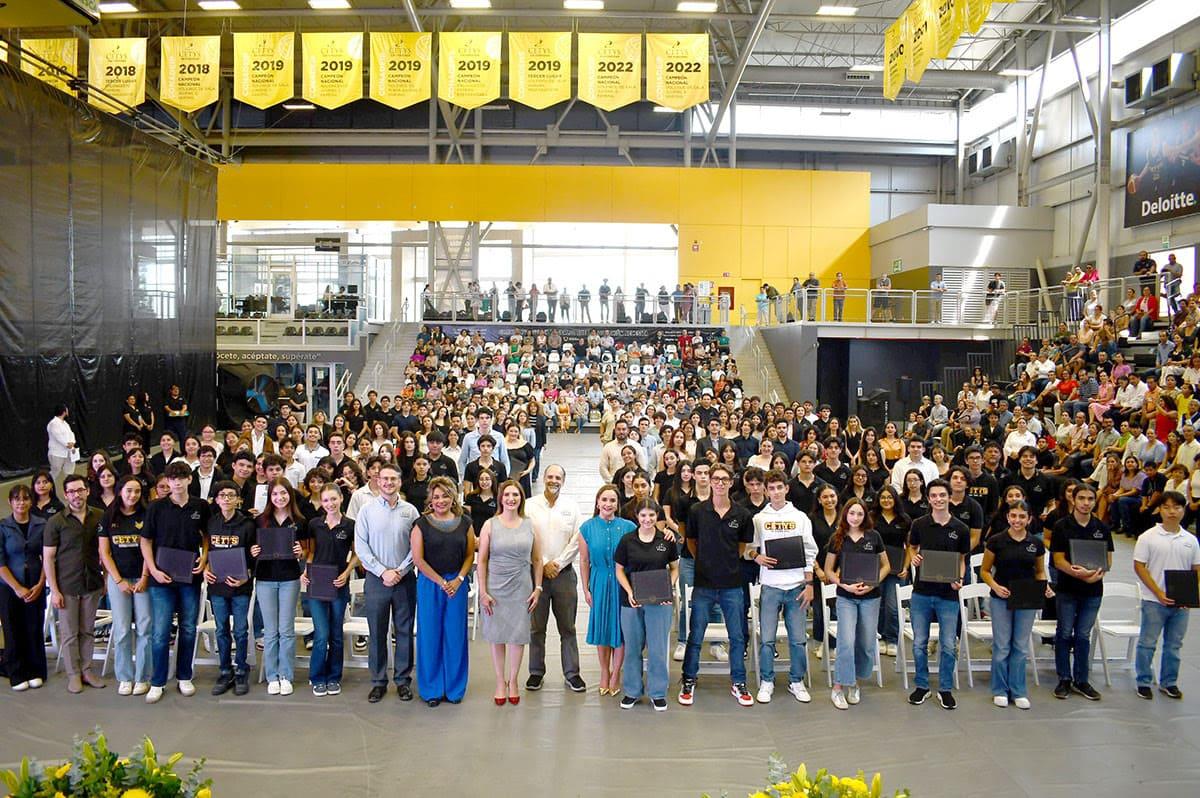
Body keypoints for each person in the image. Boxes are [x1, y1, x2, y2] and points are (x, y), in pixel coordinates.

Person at [679, 463, 755, 707]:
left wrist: (726, 561)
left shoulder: (742, 515)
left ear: (731, 482)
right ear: (710, 482)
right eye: (716, 479)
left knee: (736, 636)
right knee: (696, 635)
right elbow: (691, 542)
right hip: (704, 584)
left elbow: (742, 547)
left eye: (725, 479)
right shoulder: (697, 511)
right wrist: (705, 562)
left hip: (733, 584)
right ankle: (689, 679)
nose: (720, 483)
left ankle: (739, 681)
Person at [140, 461, 210, 704]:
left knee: (189, 628)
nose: (177, 482)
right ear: (167, 482)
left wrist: (204, 559)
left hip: (189, 577)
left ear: (190, 480)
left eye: (181, 477)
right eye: (172, 478)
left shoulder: (200, 506)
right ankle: (158, 681)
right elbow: (145, 541)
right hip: (161, 579)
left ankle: (184, 676)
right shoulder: (156, 508)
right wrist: (152, 570)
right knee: (160, 632)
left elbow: (207, 536)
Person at [748, 469, 817, 704]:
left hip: (797, 585)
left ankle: (796, 680)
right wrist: (756, 557)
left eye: (780, 487)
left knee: (798, 638)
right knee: (767, 638)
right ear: (766, 492)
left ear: (787, 489)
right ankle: (767, 680)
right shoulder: (759, 518)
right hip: (770, 586)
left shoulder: (800, 518)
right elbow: (749, 548)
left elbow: (810, 552)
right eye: (771, 488)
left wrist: (809, 583)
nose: (776, 492)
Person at [355, 462, 421, 703]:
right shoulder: (366, 511)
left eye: (393, 479)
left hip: (404, 581)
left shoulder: (411, 511)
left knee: (404, 631)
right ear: (377, 480)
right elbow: (361, 547)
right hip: (376, 580)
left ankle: (403, 681)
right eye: (384, 479)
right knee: (377, 632)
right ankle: (378, 681)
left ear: (400, 482)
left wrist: (401, 571)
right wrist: (383, 571)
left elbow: (417, 548)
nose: (388, 483)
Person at [981, 501, 1053, 709]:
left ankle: (1018, 690)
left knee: (1020, 647)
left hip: (1027, 598)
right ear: (1007, 517)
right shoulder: (996, 541)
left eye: (1022, 516)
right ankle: (1000, 689)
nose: (1017, 520)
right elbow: (985, 571)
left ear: (1029, 519)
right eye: (1014, 516)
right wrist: (995, 586)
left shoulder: (1036, 544)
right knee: (1002, 646)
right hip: (1001, 597)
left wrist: (1044, 586)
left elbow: (1039, 571)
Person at [906, 479, 970, 709]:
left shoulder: (960, 529)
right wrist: (914, 557)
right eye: (934, 495)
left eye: (942, 495)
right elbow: (912, 547)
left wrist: (960, 579)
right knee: (919, 643)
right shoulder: (919, 524)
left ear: (949, 496)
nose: (938, 499)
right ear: (929, 498)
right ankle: (922, 685)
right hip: (922, 593)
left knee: (948, 644)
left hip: (948, 596)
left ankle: (945, 688)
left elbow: (962, 560)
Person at [479, 480, 543, 705]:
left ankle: (513, 680)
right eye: (507, 494)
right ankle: (499, 681)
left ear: (521, 498)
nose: (511, 499)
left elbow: (537, 559)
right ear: (500, 498)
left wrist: (538, 587)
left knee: (517, 637)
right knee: (496, 636)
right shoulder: (490, 525)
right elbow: (482, 559)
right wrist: (483, 592)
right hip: (495, 587)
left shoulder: (530, 524)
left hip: (521, 587)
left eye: (515, 495)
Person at [410, 477, 473, 706]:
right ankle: (432, 689)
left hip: (456, 582)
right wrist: (440, 582)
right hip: (430, 583)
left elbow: (469, 555)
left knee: (456, 635)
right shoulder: (421, 524)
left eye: (445, 495)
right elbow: (418, 559)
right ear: (430, 499)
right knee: (430, 635)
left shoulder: (464, 522)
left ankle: (455, 688)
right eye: (436, 497)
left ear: (452, 497)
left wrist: (458, 579)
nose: (440, 500)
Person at [524, 465, 586, 693]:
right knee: (536, 627)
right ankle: (535, 672)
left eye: (558, 477)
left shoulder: (572, 507)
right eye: (550, 476)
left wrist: (557, 563)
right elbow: (526, 536)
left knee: (567, 627)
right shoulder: (530, 505)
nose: (553, 480)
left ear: (564, 480)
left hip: (564, 575)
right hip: (536, 574)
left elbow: (577, 539)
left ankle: (572, 673)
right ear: (543, 478)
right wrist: (543, 563)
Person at [42, 473, 106, 693]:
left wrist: (105, 579)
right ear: (65, 494)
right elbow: (48, 557)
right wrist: (55, 590)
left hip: (92, 583)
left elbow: (105, 552)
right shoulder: (56, 521)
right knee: (69, 633)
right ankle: (73, 674)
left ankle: (87, 670)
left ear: (87, 491)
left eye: (80, 490)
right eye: (71, 491)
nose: (76, 495)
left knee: (87, 630)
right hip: (66, 586)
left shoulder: (99, 516)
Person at [1132, 491, 1199, 700]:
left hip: (1181, 604)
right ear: (1159, 510)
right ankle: (1143, 681)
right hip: (1154, 601)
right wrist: (1158, 592)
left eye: (1177, 507)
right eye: (1167, 507)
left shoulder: (1190, 540)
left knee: (1174, 645)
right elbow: (1140, 566)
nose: (1172, 512)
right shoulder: (1148, 537)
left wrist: (1190, 596)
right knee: (1148, 642)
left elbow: (1196, 569)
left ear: (1183, 509)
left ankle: (1169, 682)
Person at [614, 499, 679, 711]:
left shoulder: (666, 540)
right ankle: (632, 691)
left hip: (659, 602)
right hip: (631, 602)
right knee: (632, 647)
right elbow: (619, 570)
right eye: (643, 515)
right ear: (637, 516)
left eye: (652, 515)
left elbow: (674, 568)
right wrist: (630, 592)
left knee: (658, 648)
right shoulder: (627, 540)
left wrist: (668, 588)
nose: (647, 519)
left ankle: (658, 692)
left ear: (657, 516)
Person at [824, 498, 889, 710]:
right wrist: (844, 585)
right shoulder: (837, 538)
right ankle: (838, 687)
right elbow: (828, 571)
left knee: (866, 643)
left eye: (859, 514)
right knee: (846, 641)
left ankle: (855, 682)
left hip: (871, 597)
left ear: (865, 516)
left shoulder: (874, 536)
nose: (855, 517)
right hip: (846, 597)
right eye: (852, 513)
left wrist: (872, 584)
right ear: (845, 515)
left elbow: (886, 565)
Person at [1050, 482, 1112, 701]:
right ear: (1073, 500)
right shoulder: (1061, 526)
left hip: (1093, 591)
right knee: (1065, 633)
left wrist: (1096, 574)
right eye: (1082, 498)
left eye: (1090, 499)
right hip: (1068, 589)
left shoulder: (1101, 528)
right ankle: (1064, 678)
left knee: (1084, 635)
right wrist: (1077, 574)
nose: (1086, 503)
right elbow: (1058, 560)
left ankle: (1082, 680)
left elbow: (1108, 560)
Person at [97, 476, 152, 696]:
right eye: (129, 491)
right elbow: (104, 552)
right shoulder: (109, 516)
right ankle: (125, 677)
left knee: (145, 628)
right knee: (120, 629)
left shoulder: (147, 515)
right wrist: (118, 581)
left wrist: (145, 577)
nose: (132, 495)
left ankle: (142, 677)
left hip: (143, 579)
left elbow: (151, 550)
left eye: (137, 491)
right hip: (118, 580)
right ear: (120, 491)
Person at [580, 484, 635, 697]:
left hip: (622, 582)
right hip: (600, 581)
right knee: (602, 628)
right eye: (604, 500)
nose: (608, 504)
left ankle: (616, 674)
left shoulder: (629, 527)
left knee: (620, 630)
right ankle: (604, 672)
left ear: (617, 504)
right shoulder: (587, 527)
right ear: (597, 502)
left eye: (612, 500)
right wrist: (586, 589)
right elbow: (584, 560)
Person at [203, 481, 255, 697]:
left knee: (241, 630)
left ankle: (242, 669)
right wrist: (206, 568)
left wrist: (246, 577)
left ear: (238, 499)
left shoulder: (248, 524)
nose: (226, 499)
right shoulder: (211, 523)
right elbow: (207, 549)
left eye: (231, 495)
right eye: (222, 495)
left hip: (241, 586)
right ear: (216, 499)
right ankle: (225, 670)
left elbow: (254, 555)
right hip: (217, 586)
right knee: (222, 630)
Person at [0, 485, 48, 691]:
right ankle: (16, 672)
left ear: (31, 501)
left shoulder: (42, 524)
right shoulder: (3, 526)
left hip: (35, 584)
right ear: (10, 502)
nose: (21, 502)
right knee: (13, 629)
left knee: (34, 628)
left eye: (25, 498)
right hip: (9, 587)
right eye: (17, 499)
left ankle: (35, 670)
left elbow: (48, 557)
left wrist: (40, 584)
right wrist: (17, 588)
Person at [46, 404, 78, 494]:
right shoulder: (53, 423)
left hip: (69, 452)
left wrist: (72, 442)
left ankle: (70, 489)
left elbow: (71, 433)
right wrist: (67, 444)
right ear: (64, 411)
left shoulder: (65, 423)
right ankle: (47, 490)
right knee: (55, 472)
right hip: (57, 453)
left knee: (69, 471)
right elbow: (58, 436)